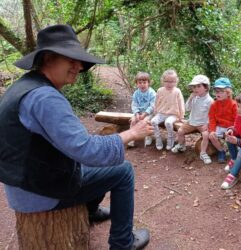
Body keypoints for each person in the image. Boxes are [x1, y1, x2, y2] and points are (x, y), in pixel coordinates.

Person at [0, 24, 152, 250]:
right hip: (39, 192)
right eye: (71, 59)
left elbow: (68, 142)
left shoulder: (24, 87)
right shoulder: (45, 98)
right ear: (48, 58)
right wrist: (132, 134)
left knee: (94, 161)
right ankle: (123, 243)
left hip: (25, 184)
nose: (79, 66)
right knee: (123, 171)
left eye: (79, 61)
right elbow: (89, 151)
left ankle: (89, 210)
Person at [171, 74, 214, 164]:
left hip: (202, 123)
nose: (195, 89)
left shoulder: (209, 101)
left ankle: (203, 153)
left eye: (199, 86)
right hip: (192, 122)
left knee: (205, 135)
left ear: (206, 87)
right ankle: (182, 145)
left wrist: (207, 124)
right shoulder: (194, 98)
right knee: (180, 131)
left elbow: (212, 114)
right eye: (194, 87)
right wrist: (190, 99)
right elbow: (187, 109)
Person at [151, 69, 185, 151]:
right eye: (167, 81)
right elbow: (156, 102)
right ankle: (158, 139)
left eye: (172, 81)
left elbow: (181, 104)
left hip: (173, 114)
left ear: (176, 81)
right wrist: (155, 112)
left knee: (168, 122)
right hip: (161, 113)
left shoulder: (177, 91)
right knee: (153, 121)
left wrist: (181, 116)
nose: (170, 84)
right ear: (163, 81)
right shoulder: (160, 90)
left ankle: (171, 138)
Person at [208, 77, 237, 163]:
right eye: (216, 91)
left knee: (230, 137)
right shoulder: (214, 104)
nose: (218, 94)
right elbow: (212, 118)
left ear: (228, 93)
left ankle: (233, 153)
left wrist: (232, 129)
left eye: (221, 91)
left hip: (231, 127)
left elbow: (237, 120)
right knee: (211, 136)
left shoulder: (233, 104)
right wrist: (212, 130)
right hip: (219, 126)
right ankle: (221, 151)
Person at [128, 71, 156, 148]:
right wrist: (136, 113)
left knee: (146, 121)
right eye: (140, 83)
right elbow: (134, 104)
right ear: (136, 84)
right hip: (139, 112)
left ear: (148, 83)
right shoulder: (136, 93)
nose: (142, 84)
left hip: (149, 113)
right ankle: (131, 137)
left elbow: (153, 106)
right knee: (133, 121)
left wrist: (145, 114)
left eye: (144, 82)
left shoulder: (152, 93)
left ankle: (148, 136)